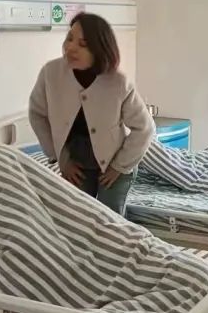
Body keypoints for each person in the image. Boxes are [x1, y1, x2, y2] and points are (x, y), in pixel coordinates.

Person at [29, 12, 155, 216]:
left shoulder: (118, 82)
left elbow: (145, 128)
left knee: (110, 220)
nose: (71, 47)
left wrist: (119, 167)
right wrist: (61, 158)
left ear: (99, 49)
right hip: (76, 161)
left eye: (82, 44)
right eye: (69, 38)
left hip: (115, 160)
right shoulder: (51, 73)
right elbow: (37, 114)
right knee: (77, 218)